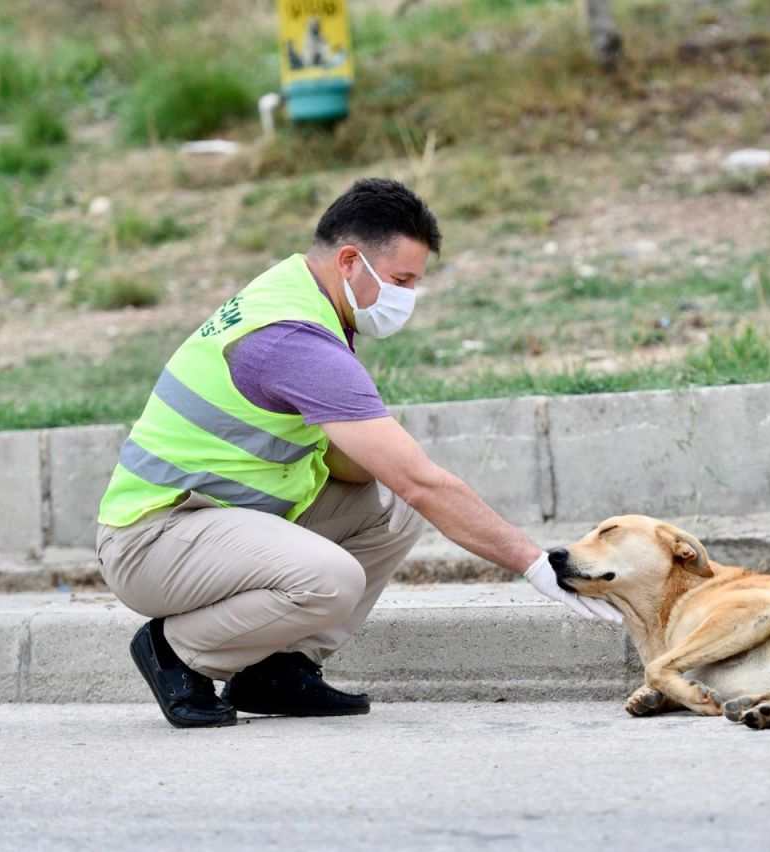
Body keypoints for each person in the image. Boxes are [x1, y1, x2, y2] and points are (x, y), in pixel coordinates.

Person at [96, 178, 621, 728]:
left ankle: (277, 667)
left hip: (217, 519)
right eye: (400, 280)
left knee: (391, 509)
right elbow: (424, 481)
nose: (406, 298)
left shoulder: (302, 294)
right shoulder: (292, 336)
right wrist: (534, 564)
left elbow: (359, 468)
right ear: (350, 260)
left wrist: (374, 439)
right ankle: (176, 650)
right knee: (332, 577)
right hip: (151, 537)